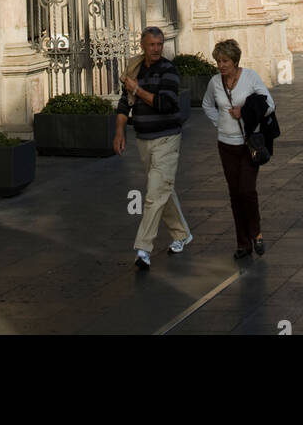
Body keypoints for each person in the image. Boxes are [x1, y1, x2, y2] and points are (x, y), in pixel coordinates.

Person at [114, 26, 190, 269]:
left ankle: (143, 249)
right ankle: (181, 235)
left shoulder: (169, 70)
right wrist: (119, 133)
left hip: (167, 139)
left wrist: (137, 89)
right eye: (152, 45)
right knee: (163, 190)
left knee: (154, 195)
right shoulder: (135, 69)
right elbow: (125, 103)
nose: (157, 49)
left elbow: (165, 103)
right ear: (142, 46)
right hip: (143, 140)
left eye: (160, 44)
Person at [202, 39, 276, 260]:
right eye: (218, 61)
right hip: (226, 145)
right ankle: (242, 243)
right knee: (235, 194)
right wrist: (220, 122)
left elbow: (269, 105)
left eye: (225, 61)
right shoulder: (215, 82)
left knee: (247, 190)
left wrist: (243, 113)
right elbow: (207, 105)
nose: (221, 65)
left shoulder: (251, 77)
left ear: (235, 60)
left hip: (248, 144)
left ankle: (256, 233)